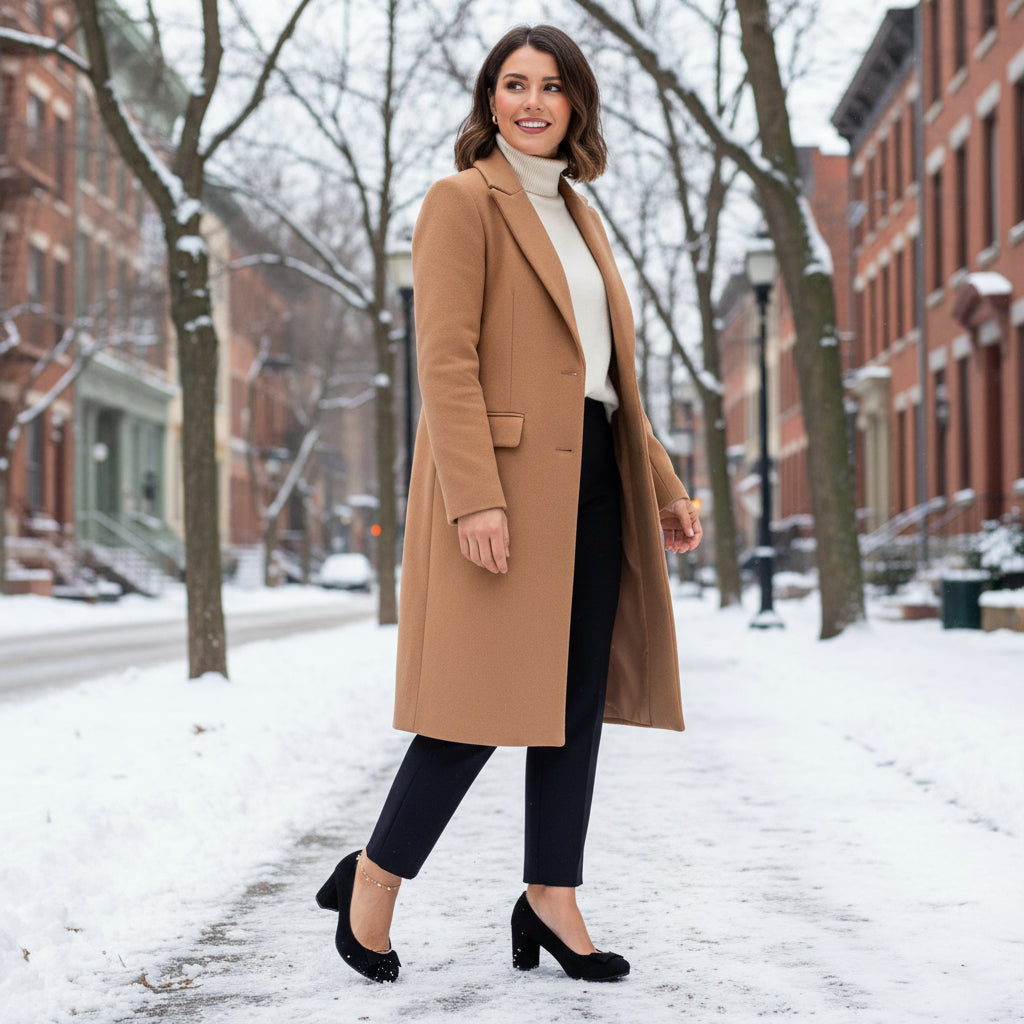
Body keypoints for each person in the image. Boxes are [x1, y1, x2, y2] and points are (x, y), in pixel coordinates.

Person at [315, 24, 703, 985]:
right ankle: (373, 877)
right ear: (490, 100)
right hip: (505, 488)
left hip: (599, 478)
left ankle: (551, 896)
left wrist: (663, 484)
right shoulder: (461, 201)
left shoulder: (580, 212)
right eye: (515, 84)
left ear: (577, 104)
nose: (533, 102)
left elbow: (606, 379)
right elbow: (445, 364)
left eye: (553, 86)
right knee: (477, 706)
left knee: (571, 708)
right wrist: (474, 500)